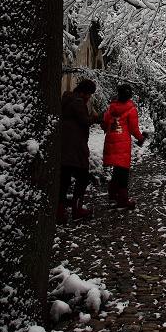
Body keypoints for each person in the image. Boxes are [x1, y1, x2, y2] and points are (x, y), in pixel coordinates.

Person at [57, 77, 99, 225]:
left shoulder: (67, 100)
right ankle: (77, 209)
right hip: (76, 148)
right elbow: (85, 121)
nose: (89, 97)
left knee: (64, 180)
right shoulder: (78, 102)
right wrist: (94, 117)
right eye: (89, 94)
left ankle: (60, 212)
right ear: (84, 92)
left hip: (65, 146)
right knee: (82, 177)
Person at [102, 83, 146, 209]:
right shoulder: (131, 109)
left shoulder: (111, 107)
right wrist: (141, 138)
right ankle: (122, 199)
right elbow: (133, 128)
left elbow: (104, 124)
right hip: (122, 143)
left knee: (117, 169)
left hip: (111, 140)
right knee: (123, 171)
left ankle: (112, 194)